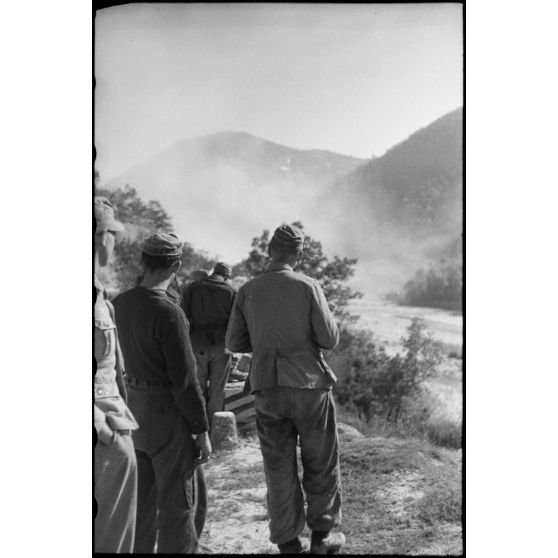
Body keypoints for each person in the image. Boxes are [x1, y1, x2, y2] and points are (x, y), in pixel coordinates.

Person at [225, 224, 346, 555]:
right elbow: (329, 339)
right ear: (299, 253)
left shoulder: (248, 290)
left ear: (269, 250)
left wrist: (265, 341)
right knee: (320, 459)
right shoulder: (308, 287)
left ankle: (289, 543)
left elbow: (234, 341)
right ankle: (322, 536)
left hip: (266, 388)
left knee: (278, 466)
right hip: (308, 385)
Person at [113, 233, 212, 554]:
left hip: (132, 409)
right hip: (167, 416)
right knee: (176, 503)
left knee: (140, 501)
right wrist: (200, 430)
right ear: (177, 267)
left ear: (142, 262)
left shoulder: (118, 304)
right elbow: (185, 380)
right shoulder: (169, 312)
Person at [94, 197, 139, 553]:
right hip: (101, 431)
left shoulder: (100, 296)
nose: (114, 241)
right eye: (110, 233)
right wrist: (102, 428)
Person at [181, 261, 236, 424]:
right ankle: (215, 431)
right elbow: (236, 322)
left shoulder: (192, 288)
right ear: (226, 277)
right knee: (217, 391)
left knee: (198, 387)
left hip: (197, 344)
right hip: (222, 346)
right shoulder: (232, 292)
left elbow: (183, 316)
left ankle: (199, 430)